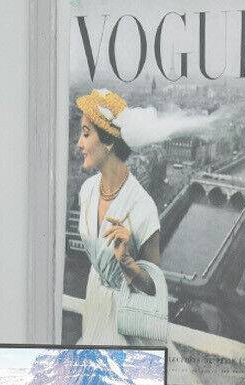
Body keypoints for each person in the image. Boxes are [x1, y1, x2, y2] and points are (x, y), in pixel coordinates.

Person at [74, 89, 162, 345]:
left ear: (109, 143)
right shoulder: (87, 191)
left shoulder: (143, 207)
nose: (79, 143)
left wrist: (126, 261)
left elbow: (154, 289)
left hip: (123, 321)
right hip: (93, 306)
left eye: (86, 133)